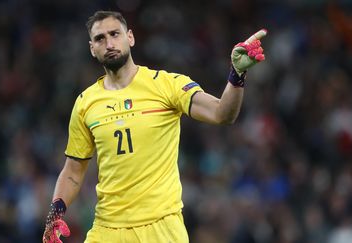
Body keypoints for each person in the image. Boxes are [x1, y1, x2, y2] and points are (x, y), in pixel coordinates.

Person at [42, 10, 267, 243]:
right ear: (92, 48)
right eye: (100, 38)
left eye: (114, 34)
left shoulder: (167, 85)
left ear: (130, 37)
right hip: (107, 229)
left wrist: (237, 73)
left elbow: (222, 114)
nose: (109, 43)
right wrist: (55, 213)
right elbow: (73, 171)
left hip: (161, 228)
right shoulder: (85, 103)